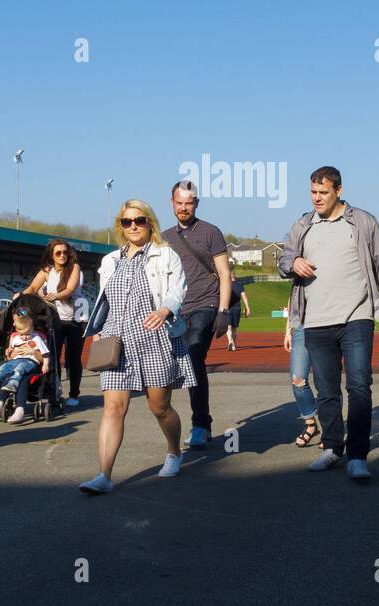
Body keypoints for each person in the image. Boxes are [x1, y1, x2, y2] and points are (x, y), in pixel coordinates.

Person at [278, 166, 379, 483]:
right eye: (312, 192)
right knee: (327, 391)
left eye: (323, 192)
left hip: (357, 316)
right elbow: (283, 259)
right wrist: (293, 262)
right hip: (315, 320)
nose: (316, 198)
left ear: (339, 190)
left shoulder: (363, 222)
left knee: (359, 386)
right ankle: (333, 448)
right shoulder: (303, 224)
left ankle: (358, 456)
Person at [78, 199, 195, 494]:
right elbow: (104, 302)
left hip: (154, 338)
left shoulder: (166, 256)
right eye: (126, 222)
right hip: (115, 340)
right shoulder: (109, 261)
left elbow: (177, 290)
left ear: (150, 223)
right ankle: (104, 475)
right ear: (120, 226)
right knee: (113, 408)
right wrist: (97, 330)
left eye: (139, 221)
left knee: (160, 406)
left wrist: (166, 310)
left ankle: (173, 451)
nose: (133, 226)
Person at [162, 180, 231, 449]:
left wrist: (223, 311)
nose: (183, 208)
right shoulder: (165, 237)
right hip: (176, 309)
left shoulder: (211, 232)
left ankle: (201, 424)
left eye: (188, 203)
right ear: (172, 203)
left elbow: (224, 273)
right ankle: (170, 421)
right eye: (179, 203)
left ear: (197, 204)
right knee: (171, 366)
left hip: (205, 304)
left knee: (193, 358)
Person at [25, 239, 87, 406]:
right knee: (53, 357)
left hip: (76, 320)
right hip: (55, 321)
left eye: (65, 252)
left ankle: (74, 394)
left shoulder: (74, 267)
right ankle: (56, 391)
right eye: (58, 253)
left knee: (73, 359)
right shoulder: (47, 270)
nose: (62, 256)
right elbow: (32, 287)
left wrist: (55, 295)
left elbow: (69, 290)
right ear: (51, 255)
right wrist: (21, 296)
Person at [0, 305, 51, 423]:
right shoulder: (14, 337)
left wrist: (33, 352)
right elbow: (9, 358)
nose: (15, 323)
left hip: (32, 365)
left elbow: (44, 356)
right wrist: (9, 353)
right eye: (14, 320)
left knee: (22, 378)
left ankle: (20, 410)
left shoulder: (38, 337)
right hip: (16, 362)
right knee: (7, 375)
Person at [284, 315, 320, 447]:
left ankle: (331, 430)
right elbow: (293, 298)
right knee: (297, 379)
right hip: (302, 327)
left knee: (326, 381)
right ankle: (310, 424)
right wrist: (288, 331)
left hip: (327, 325)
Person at [224, 274, 250, 350]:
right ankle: (233, 344)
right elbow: (244, 297)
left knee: (228, 327)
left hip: (227, 308)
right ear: (234, 276)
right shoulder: (239, 285)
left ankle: (230, 342)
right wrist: (248, 308)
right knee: (234, 328)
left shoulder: (226, 285)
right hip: (237, 309)